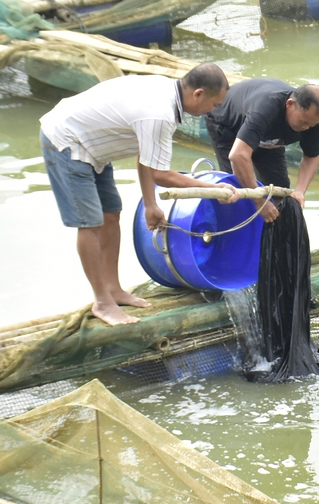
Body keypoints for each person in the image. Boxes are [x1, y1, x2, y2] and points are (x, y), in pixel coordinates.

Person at [39, 62, 232, 325]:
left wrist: (151, 205)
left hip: (95, 146)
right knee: (89, 223)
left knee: (111, 213)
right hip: (67, 140)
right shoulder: (160, 113)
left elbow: (146, 156)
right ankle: (103, 302)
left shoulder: (168, 96)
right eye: (214, 104)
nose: (212, 111)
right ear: (198, 94)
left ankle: (114, 289)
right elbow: (161, 175)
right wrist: (214, 190)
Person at [205, 78, 319, 224]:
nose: (306, 128)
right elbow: (237, 155)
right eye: (303, 122)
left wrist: (300, 191)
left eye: (311, 125)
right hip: (228, 126)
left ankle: (270, 237)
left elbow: (312, 157)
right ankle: (237, 234)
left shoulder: (312, 121)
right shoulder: (266, 107)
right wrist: (258, 201)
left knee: (279, 190)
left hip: (269, 138)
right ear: (290, 104)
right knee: (237, 191)